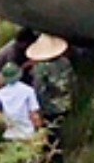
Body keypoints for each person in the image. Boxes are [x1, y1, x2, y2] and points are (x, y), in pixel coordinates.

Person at [28, 34, 75, 163]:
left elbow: (38, 91)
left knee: (50, 136)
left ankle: (54, 158)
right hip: (65, 103)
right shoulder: (65, 62)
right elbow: (72, 81)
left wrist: (36, 110)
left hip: (49, 108)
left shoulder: (41, 69)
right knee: (58, 132)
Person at [0, 62, 42, 142]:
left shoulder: (0, 93)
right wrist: (40, 130)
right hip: (27, 133)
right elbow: (34, 113)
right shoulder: (28, 90)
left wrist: (3, 122)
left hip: (10, 133)